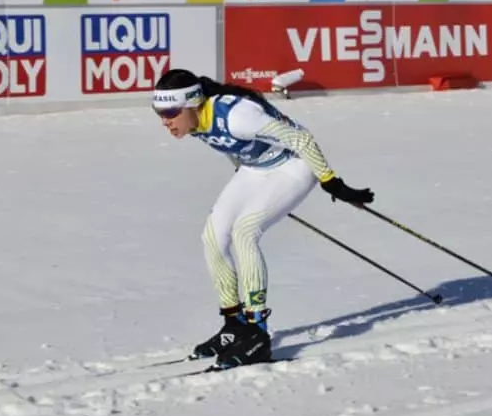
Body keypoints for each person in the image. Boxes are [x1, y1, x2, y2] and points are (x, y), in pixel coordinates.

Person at [151, 69, 375, 369]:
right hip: (255, 169)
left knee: (245, 232)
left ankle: (257, 332)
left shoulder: (237, 116)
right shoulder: (194, 119)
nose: (165, 121)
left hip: (293, 166)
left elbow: (301, 139)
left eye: (170, 113)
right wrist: (246, 178)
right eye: (159, 113)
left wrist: (331, 182)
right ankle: (235, 326)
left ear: (192, 102)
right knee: (213, 236)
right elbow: (227, 144)